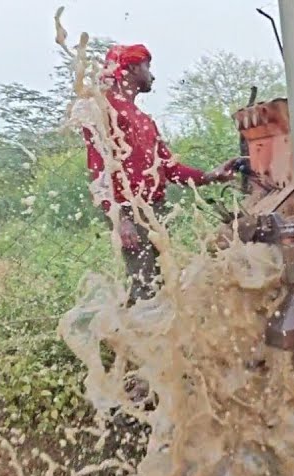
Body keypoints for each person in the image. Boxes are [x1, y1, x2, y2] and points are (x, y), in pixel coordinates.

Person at [75, 43, 243, 303]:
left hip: (155, 209)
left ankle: (156, 337)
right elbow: (99, 171)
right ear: (130, 68)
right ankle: (138, 338)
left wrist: (211, 176)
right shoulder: (103, 109)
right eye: (147, 66)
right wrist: (120, 218)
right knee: (144, 287)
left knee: (160, 282)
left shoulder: (143, 119)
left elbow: (170, 169)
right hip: (130, 210)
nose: (152, 75)